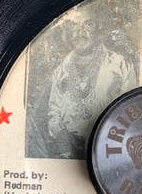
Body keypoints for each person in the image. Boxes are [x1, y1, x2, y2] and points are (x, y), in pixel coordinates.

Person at [47, 17, 137, 158]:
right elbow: (54, 111)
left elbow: (131, 110)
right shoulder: (61, 70)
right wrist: (61, 137)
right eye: (74, 26)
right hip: (68, 153)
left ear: (99, 27)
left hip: (110, 149)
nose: (80, 32)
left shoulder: (120, 64)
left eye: (88, 24)